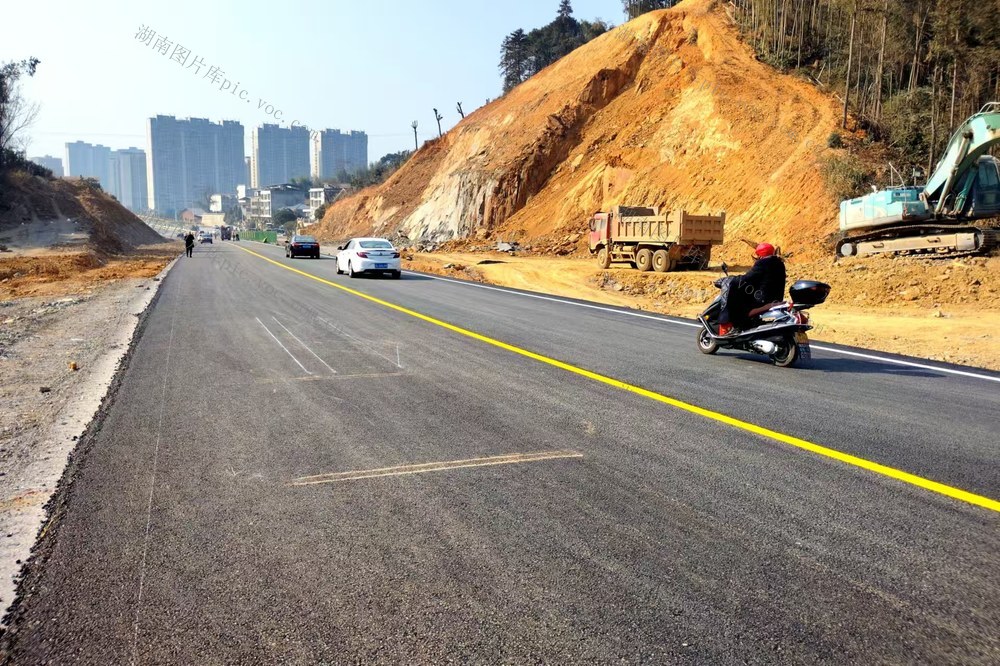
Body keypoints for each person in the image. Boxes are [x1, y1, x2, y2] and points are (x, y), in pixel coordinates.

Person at [718, 242, 786, 336]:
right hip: (776, 298)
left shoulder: (762, 263)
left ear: (760, 254)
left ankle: (737, 327)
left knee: (738, 305)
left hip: (763, 299)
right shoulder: (780, 263)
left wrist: (734, 279)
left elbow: (748, 278)